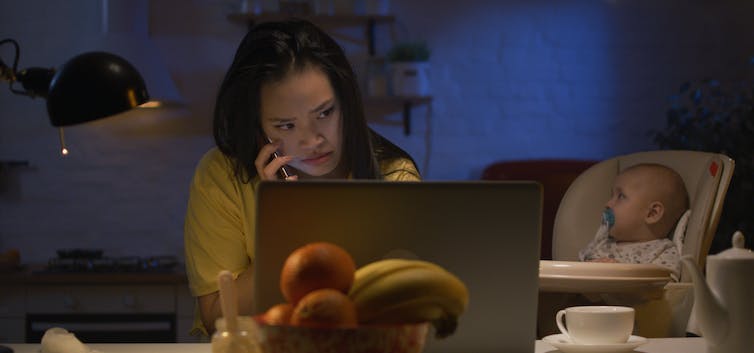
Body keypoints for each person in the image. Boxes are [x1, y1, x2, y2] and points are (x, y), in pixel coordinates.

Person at [183, 19, 421, 335]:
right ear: (259, 129)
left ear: (347, 104)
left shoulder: (395, 174)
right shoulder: (222, 175)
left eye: (324, 113)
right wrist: (284, 223)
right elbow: (217, 317)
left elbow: (407, 306)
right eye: (286, 125)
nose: (312, 140)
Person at [578, 163, 690, 280]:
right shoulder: (601, 243)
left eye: (621, 196)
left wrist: (620, 274)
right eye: (612, 196)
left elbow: (665, 289)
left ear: (652, 213)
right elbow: (575, 273)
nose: (608, 204)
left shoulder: (662, 252)